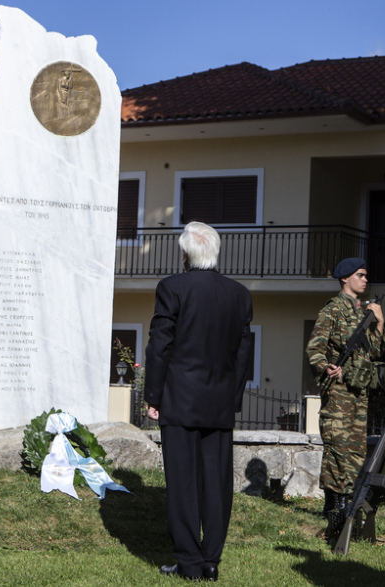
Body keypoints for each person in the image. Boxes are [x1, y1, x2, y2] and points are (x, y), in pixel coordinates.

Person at [144, 221, 253, 581]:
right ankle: (210, 562)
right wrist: (233, 399)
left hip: (179, 400)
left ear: (186, 254)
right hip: (220, 404)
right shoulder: (239, 293)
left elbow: (160, 345)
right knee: (217, 486)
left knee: (183, 484)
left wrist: (153, 396)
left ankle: (189, 563)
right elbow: (243, 353)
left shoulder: (171, 288)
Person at [306, 257, 385, 518]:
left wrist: (380, 322)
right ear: (345, 278)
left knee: (356, 448)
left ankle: (348, 499)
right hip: (339, 390)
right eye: (360, 275)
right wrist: (326, 367)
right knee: (337, 446)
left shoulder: (363, 312)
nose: (365, 279)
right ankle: (334, 504)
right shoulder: (332, 310)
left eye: (366, 275)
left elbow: (375, 349)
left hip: (359, 391)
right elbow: (314, 349)